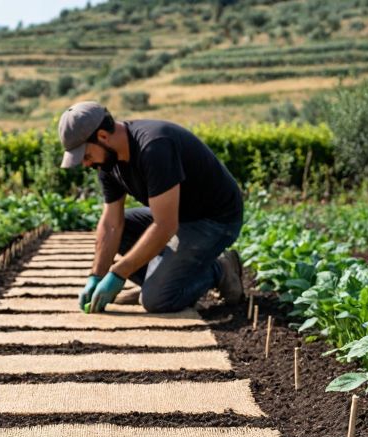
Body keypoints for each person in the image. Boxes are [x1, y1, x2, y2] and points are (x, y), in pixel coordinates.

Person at [57, 101, 245, 314]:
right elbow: (111, 224)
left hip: (214, 220)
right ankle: (162, 283)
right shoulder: (108, 163)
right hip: (179, 216)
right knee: (122, 228)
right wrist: (96, 275)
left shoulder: (154, 146)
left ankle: (219, 269)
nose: (86, 164)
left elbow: (165, 225)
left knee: (156, 301)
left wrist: (118, 273)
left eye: (86, 156)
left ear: (102, 136)